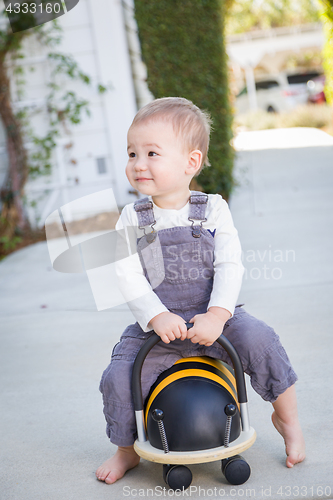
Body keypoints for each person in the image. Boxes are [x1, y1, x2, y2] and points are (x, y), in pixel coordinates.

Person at [96, 97, 306, 484]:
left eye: (152, 153)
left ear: (190, 163)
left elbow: (229, 264)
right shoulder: (132, 218)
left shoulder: (212, 209)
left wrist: (219, 314)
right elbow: (126, 273)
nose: (138, 163)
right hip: (157, 329)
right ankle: (127, 448)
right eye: (132, 153)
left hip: (214, 317)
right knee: (119, 376)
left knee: (262, 341)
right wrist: (156, 315)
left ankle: (287, 420)